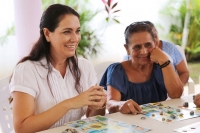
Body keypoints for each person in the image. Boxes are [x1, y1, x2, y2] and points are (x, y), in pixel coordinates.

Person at [9, 4, 106, 133]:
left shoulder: (85, 66)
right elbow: (22, 128)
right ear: (47, 34)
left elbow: (93, 118)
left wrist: (100, 104)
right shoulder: (27, 70)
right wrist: (69, 103)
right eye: (67, 31)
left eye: (77, 31)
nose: (75, 38)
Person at [100, 21, 183, 115]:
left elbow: (176, 95)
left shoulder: (161, 65)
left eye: (148, 45)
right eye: (137, 47)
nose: (143, 52)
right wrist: (120, 105)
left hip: (158, 122)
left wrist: (165, 60)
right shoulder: (117, 70)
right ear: (127, 49)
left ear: (155, 44)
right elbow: (111, 103)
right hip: (128, 125)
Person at [124, 21, 189, 86]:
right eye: (137, 47)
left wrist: (177, 87)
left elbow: (184, 72)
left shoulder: (170, 48)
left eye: (155, 36)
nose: (143, 51)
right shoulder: (132, 57)